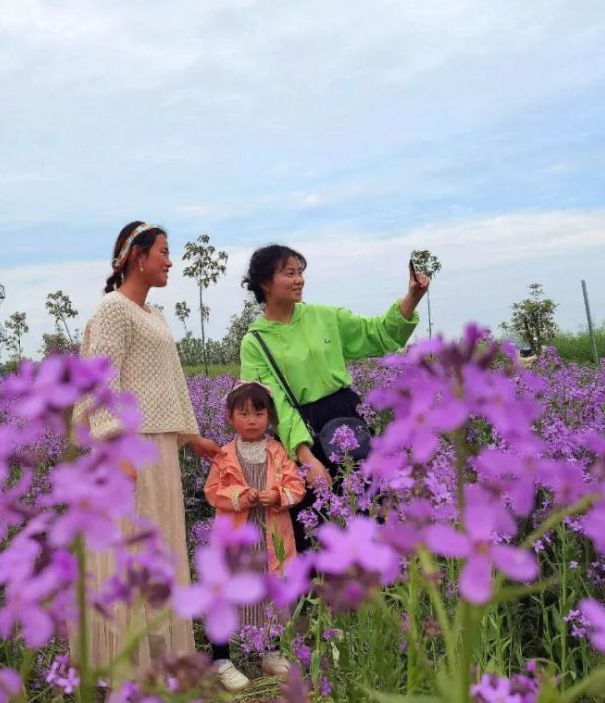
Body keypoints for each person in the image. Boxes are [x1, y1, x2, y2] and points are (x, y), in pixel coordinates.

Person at [76, 220, 223, 673]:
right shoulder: (113, 309)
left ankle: (158, 663)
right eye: (163, 251)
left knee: (159, 551)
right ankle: (125, 667)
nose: (170, 260)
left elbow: (168, 385)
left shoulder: (152, 315)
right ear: (138, 256)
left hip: (159, 451)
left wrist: (190, 435)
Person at [239, 244, 429, 552]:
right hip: (303, 433)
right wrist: (307, 458)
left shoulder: (325, 317)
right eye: (289, 273)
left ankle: (377, 588)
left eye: (300, 272)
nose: (299, 279)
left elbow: (379, 334)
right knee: (318, 523)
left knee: (372, 510)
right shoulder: (255, 342)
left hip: (349, 418)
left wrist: (412, 298)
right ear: (265, 283)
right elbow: (275, 407)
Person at [203, 381, 305, 691]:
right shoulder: (224, 454)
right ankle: (220, 658)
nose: (251, 420)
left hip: (271, 535)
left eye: (259, 413)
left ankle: (270, 653)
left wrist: (277, 495)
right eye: (243, 413)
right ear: (229, 417)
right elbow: (212, 491)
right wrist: (238, 496)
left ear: (270, 417)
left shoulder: (278, 451)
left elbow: (297, 486)